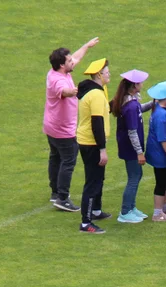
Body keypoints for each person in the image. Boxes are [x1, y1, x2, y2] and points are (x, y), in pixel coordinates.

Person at [44, 38, 99, 212]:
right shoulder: (58, 81)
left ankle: (55, 192)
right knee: (68, 160)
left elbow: (76, 57)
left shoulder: (56, 72)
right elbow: (65, 92)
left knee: (55, 158)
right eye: (69, 61)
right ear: (62, 65)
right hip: (62, 129)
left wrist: (86, 46)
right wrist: (78, 89)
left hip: (51, 125)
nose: (72, 62)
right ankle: (62, 198)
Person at [112, 69, 153, 224]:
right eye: (141, 82)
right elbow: (132, 132)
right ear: (135, 85)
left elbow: (139, 109)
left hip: (129, 148)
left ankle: (131, 208)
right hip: (130, 149)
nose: (142, 84)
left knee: (137, 176)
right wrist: (139, 152)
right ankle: (125, 212)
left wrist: (151, 104)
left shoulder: (131, 101)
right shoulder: (130, 106)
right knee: (134, 178)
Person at [77, 58, 113, 234]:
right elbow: (97, 123)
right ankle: (86, 222)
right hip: (92, 143)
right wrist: (102, 149)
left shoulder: (96, 91)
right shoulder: (96, 95)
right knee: (93, 182)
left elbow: (105, 111)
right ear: (99, 75)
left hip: (87, 141)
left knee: (99, 178)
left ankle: (96, 211)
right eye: (107, 72)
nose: (109, 74)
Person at [144, 80, 166, 222]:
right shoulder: (161, 115)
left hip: (160, 153)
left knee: (165, 180)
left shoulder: (165, 108)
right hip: (160, 153)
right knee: (161, 182)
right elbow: (162, 139)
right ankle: (157, 213)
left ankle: (165, 207)